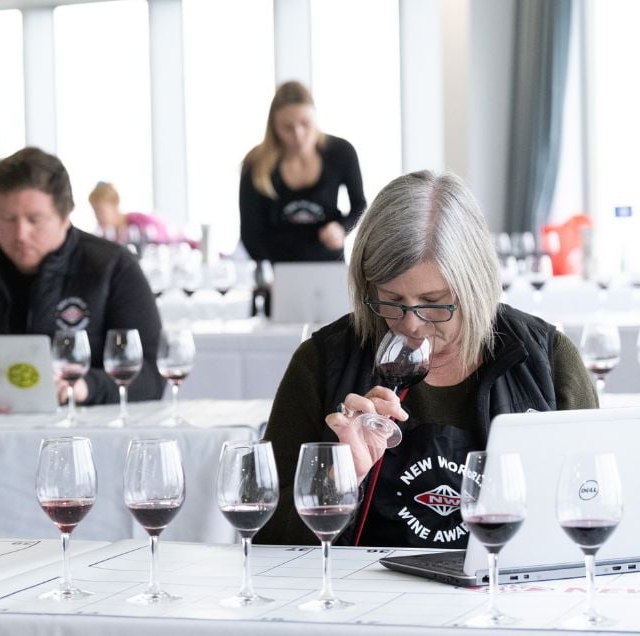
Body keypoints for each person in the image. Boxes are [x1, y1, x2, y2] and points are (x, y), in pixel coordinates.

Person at [255, 170, 597, 548]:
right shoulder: (322, 363)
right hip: (362, 588)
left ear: (476, 286)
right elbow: (266, 540)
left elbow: (595, 505)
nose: (411, 324)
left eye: (434, 303)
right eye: (392, 301)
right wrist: (338, 483)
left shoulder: (547, 361)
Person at [0, 147, 165, 406]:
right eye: (7, 219)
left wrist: (87, 387)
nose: (21, 234)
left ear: (65, 217)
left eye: (35, 219)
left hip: (85, 423)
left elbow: (152, 374)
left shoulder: (113, 267)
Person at [239, 80, 366, 263]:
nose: (298, 134)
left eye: (305, 124)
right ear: (274, 127)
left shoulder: (341, 152)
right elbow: (250, 232)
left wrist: (341, 228)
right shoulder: (255, 163)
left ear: (315, 118)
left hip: (329, 265)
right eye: (287, 127)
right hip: (277, 268)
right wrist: (271, 271)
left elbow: (360, 206)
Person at [88, 181, 174, 245]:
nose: (96, 216)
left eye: (100, 210)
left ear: (115, 205)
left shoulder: (141, 222)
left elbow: (169, 236)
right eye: (94, 211)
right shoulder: (105, 235)